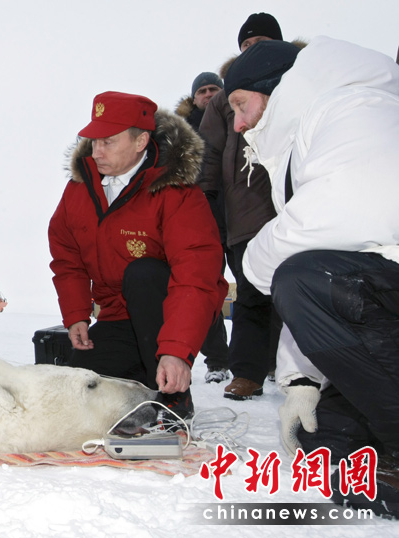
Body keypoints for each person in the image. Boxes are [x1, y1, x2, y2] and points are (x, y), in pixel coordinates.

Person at [226, 36, 399, 518]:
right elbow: (329, 261)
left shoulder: (356, 106)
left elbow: (343, 216)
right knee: (327, 447)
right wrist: (301, 378)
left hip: (386, 289)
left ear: (273, 89)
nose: (238, 125)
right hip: (381, 298)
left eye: (240, 105)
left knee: (299, 278)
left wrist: (255, 263)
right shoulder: (308, 133)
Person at [48, 91, 228, 419]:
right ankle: (144, 379)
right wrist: (76, 314)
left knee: (143, 273)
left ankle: (174, 397)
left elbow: (196, 275)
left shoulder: (175, 192)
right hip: (117, 318)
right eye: (94, 141)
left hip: (170, 316)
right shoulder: (78, 190)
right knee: (77, 394)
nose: (96, 152)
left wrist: (177, 351)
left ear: (141, 141)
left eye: (108, 142)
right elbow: (67, 257)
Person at [196, 12, 286, 397]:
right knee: (251, 292)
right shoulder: (225, 97)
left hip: (291, 204)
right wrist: (205, 199)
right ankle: (248, 372)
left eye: (260, 42)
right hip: (243, 209)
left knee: (300, 289)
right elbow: (209, 152)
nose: (252, 49)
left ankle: (299, 371)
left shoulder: (296, 82)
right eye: (246, 44)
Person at [175, 71, 230, 383]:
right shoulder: (180, 133)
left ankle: (267, 364)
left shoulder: (241, 119)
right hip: (201, 220)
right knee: (206, 289)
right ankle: (218, 361)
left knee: (258, 290)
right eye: (203, 91)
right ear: (194, 98)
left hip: (240, 215)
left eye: (213, 89)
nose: (208, 95)